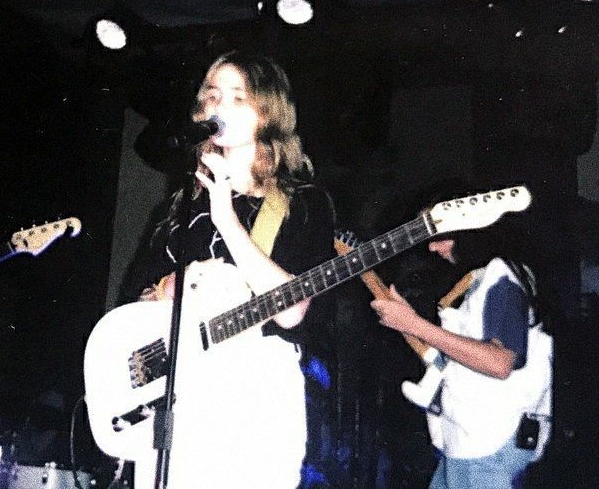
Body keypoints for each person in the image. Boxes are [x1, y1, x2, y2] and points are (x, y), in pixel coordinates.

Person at [130, 51, 335, 488]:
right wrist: (169, 287)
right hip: (179, 398)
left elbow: (291, 311)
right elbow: (132, 301)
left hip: (255, 399)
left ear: (269, 112)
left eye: (237, 98)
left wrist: (226, 217)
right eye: (212, 96)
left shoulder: (303, 203)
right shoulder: (179, 205)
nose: (218, 108)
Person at [370, 223, 553, 489]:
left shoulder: (501, 277)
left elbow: (500, 362)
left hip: (486, 446)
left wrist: (413, 324)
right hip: (468, 443)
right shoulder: (480, 282)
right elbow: (457, 357)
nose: (433, 247)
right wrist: (408, 320)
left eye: (441, 237)